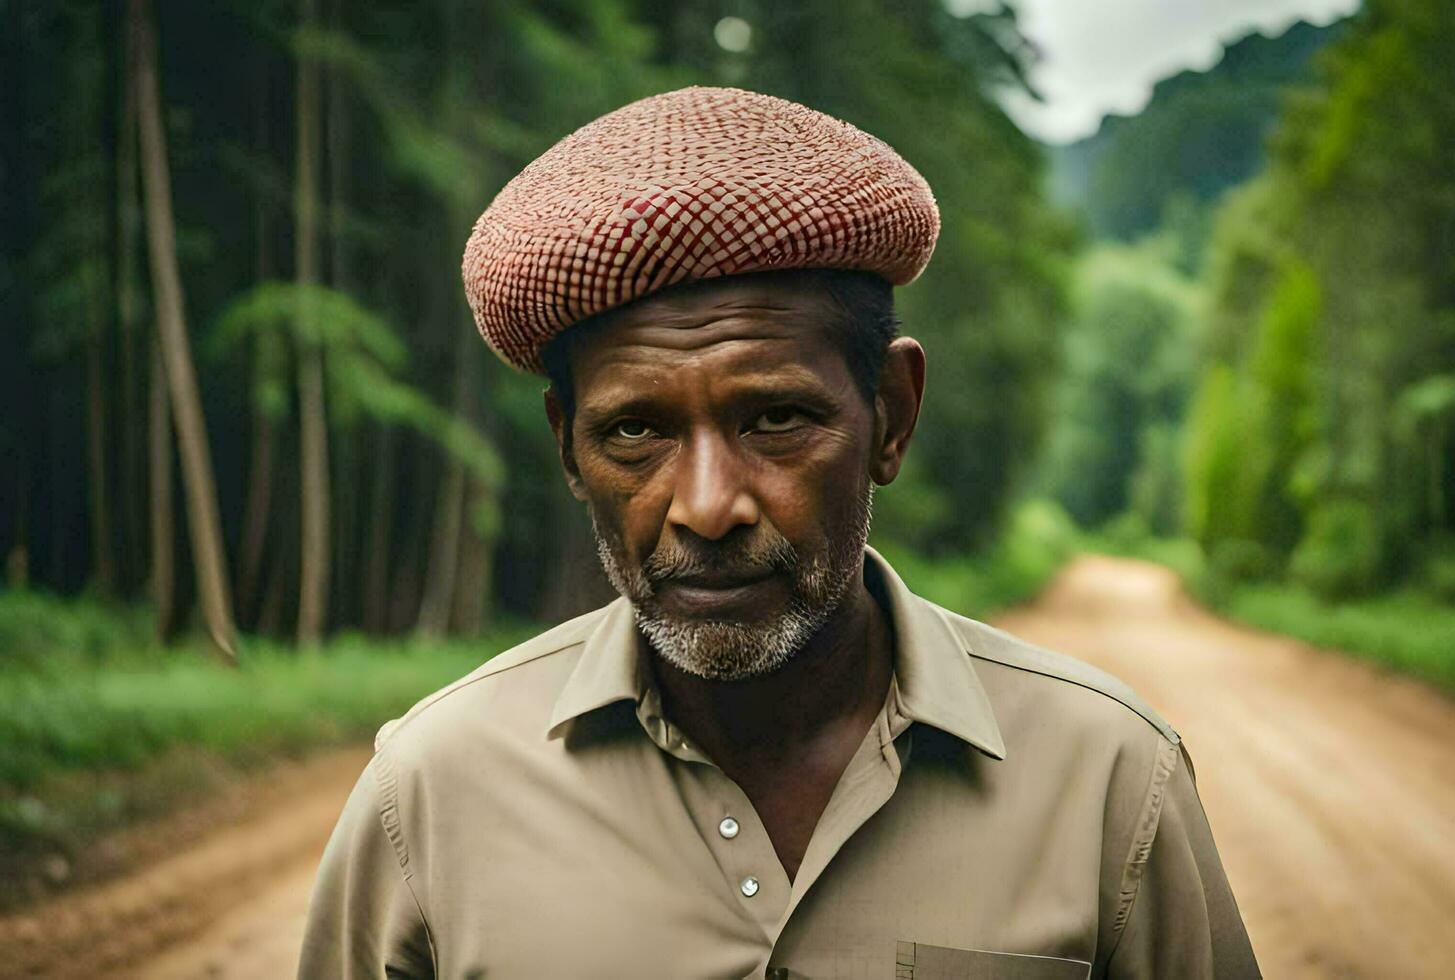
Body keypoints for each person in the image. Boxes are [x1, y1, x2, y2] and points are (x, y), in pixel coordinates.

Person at [298, 86, 1258, 979]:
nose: (708, 507)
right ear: (568, 446)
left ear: (891, 414)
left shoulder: (1105, 781)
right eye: (636, 432)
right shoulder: (428, 796)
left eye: (775, 421)